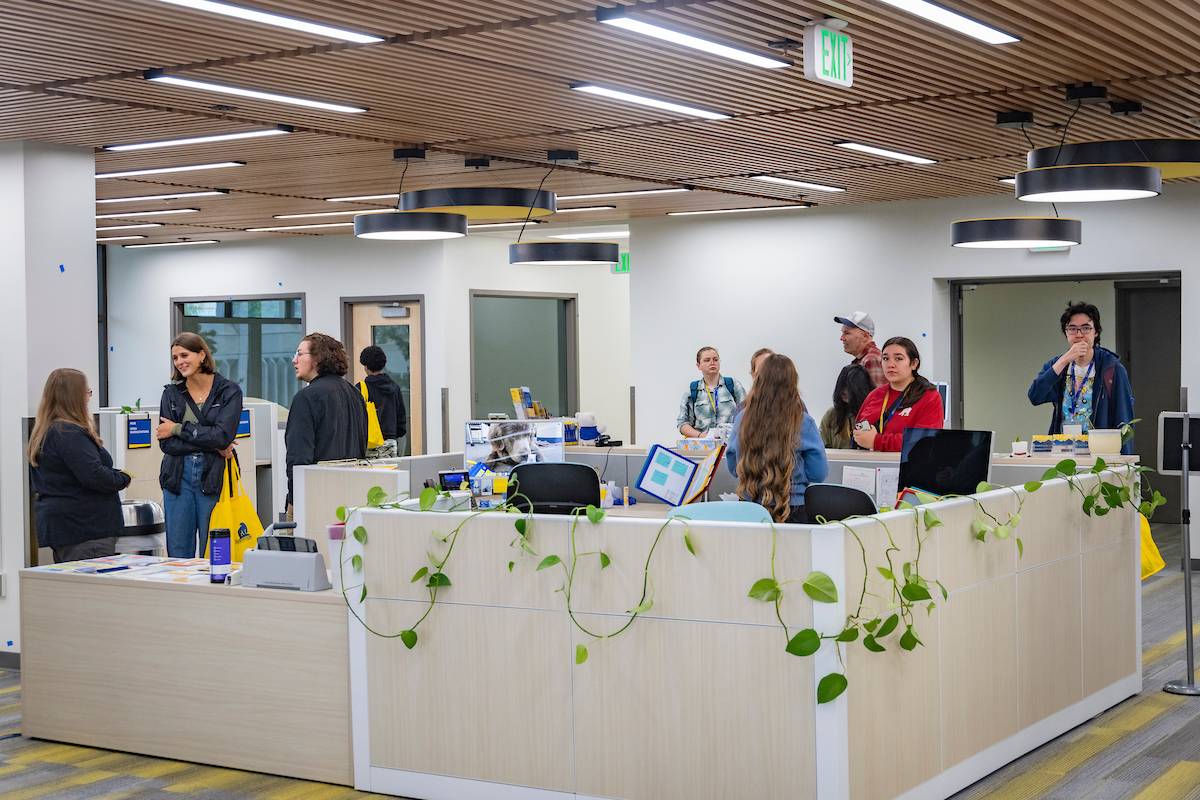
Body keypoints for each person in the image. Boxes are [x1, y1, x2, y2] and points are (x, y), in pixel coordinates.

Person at [28, 368, 131, 562]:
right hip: (86, 530)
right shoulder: (69, 433)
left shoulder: (47, 432)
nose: (89, 398)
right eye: (87, 392)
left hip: (67, 528)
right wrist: (122, 478)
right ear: (74, 397)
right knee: (92, 590)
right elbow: (93, 475)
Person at [157, 332, 243, 558]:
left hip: (213, 476)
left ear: (202, 355)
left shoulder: (228, 391)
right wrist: (213, 444)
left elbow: (223, 436)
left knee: (214, 550)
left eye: (184, 355)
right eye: (175, 358)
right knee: (178, 552)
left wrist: (177, 429)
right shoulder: (171, 394)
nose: (179, 362)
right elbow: (167, 445)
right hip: (176, 477)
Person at [725, 354, 828, 523]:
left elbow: (732, 466)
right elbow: (818, 473)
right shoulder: (804, 422)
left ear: (759, 381)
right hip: (793, 507)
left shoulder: (742, 419)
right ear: (792, 383)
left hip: (750, 508)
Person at [1028, 301, 1135, 454]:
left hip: (1099, 455)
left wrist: (1124, 466)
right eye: (1072, 329)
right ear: (1066, 333)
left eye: (1086, 328)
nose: (1079, 334)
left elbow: (1125, 421)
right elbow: (1035, 396)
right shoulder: (1058, 365)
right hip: (1062, 452)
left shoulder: (1112, 368)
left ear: (1096, 332)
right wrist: (1065, 359)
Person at [286, 333, 368, 513]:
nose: (294, 360)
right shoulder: (355, 394)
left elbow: (298, 457)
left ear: (317, 359)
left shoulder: (306, 398)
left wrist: (293, 501)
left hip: (317, 495)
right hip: (352, 496)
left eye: (300, 354)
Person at [853, 337, 944, 452]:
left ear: (914, 364)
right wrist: (862, 435)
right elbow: (859, 428)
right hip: (870, 465)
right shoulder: (876, 395)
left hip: (908, 466)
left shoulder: (929, 396)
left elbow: (924, 441)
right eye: (885, 358)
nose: (891, 364)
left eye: (898, 359)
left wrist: (877, 441)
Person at [677, 346, 747, 438]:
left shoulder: (733, 385)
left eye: (715, 359)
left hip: (730, 446)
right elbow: (682, 423)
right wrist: (701, 436)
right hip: (703, 447)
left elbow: (747, 414)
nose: (712, 363)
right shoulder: (692, 390)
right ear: (698, 365)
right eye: (707, 360)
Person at [358, 345, 408, 459]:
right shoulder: (394, 388)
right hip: (390, 443)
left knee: (370, 476)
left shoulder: (361, 388)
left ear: (365, 366)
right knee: (389, 475)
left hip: (368, 442)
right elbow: (401, 421)